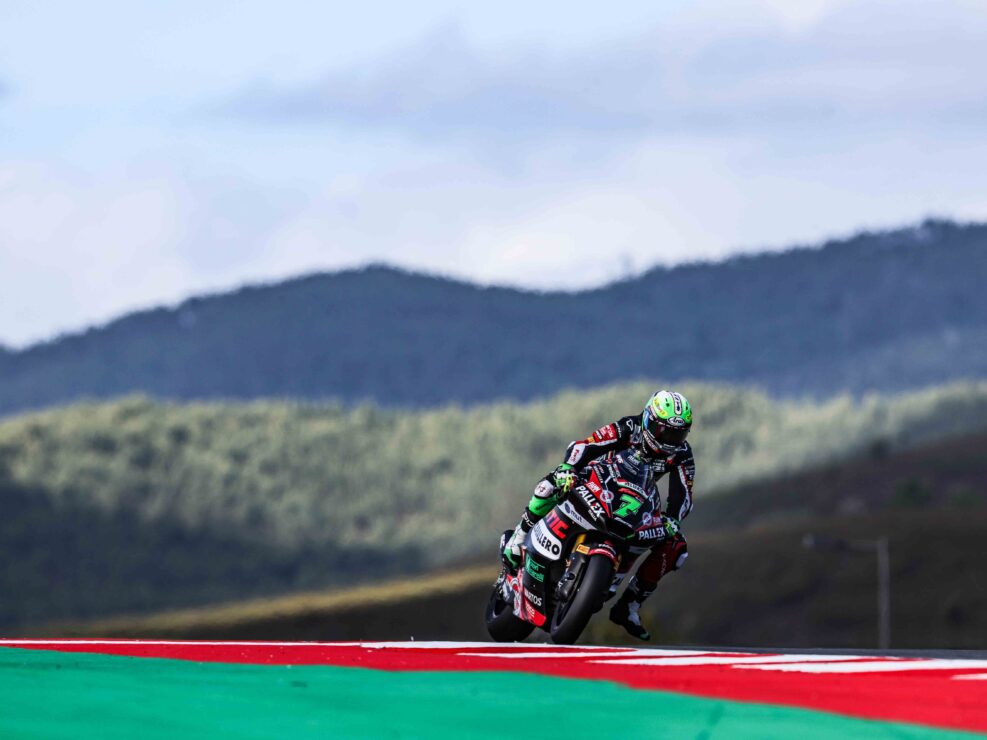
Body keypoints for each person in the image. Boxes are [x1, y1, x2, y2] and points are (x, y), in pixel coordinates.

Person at [502, 390, 695, 640]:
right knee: (551, 484)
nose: (669, 440)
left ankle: (630, 605)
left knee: (676, 546)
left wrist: (673, 519)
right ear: (648, 420)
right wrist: (569, 468)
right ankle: (520, 535)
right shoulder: (629, 427)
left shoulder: (681, 453)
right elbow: (586, 445)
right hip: (598, 480)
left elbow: (684, 493)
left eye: (677, 434)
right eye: (663, 431)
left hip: (635, 502)